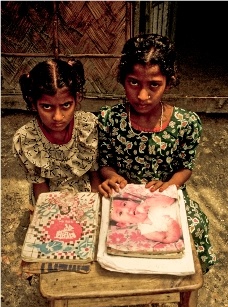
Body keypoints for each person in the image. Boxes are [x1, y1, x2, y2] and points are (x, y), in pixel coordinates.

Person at [97, 33, 216, 273]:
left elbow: (185, 167)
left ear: (169, 82)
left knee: (193, 226)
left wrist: (169, 185)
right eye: (133, 82)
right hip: (123, 199)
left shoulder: (186, 123)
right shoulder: (109, 119)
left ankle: (180, 278)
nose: (142, 95)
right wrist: (111, 177)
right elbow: (105, 163)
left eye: (154, 85)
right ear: (122, 79)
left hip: (165, 196)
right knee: (101, 233)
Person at [13, 58, 101, 211]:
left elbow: (94, 172)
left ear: (77, 98)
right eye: (47, 106)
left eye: (66, 105)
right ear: (33, 103)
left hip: (85, 194)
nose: (58, 117)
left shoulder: (87, 126)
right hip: (49, 197)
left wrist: (94, 206)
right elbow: (40, 186)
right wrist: (47, 215)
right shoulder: (27, 140)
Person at [110, 195, 182, 244]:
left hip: (183, 208)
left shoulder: (148, 202)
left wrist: (147, 204)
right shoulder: (146, 231)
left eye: (124, 204)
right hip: (184, 226)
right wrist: (172, 224)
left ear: (131, 200)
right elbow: (167, 238)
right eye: (120, 213)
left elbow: (171, 200)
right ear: (123, 223)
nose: (127, 209)